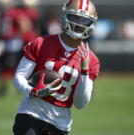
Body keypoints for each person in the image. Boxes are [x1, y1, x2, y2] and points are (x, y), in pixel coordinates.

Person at [13, 0, 100, 135]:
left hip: (60, 123)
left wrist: (84, 70)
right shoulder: (41, 43)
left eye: (83, 20)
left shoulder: (91, 60)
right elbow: (19, 76)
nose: (78, 24)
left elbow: (80, 103)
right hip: (30, 113)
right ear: (65, 16)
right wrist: (31, 91)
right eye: (75, 17)